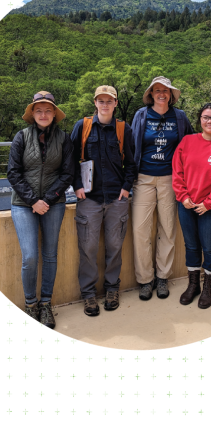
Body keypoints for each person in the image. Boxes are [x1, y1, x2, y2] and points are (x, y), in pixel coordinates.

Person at [7, 91, 74, 329]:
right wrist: (34, 200)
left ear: (54, 113)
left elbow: (68, 173)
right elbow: (13, 173)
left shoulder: (64, 139)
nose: (43, 114)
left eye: (48, 110)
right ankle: (30, 305)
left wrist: (46, 199)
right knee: (30, 256)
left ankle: (46, 304)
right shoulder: (21, 137)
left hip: (53, 203)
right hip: (23, 204)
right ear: (32, 114)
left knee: (49, 255)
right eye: (39, 110)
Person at [70, 85, 137, 317]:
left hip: (117, 198)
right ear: (95, 102)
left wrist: (127, 188)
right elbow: (70, 159)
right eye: (101, 100)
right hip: (89, 198)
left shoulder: (123, 129)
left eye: (110, 101)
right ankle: (88, 294)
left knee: (115, 246)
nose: (105, 104)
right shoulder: (83, 126)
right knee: (87, 248)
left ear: (116, 103)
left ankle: (111, 289)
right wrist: (77, 185)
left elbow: (131, 161)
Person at [131, 76, 194, 300]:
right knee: (141, 230)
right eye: (157, 90)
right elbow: (131, 145)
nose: (161, 94)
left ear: (170, 95)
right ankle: (145, 279)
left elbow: (190, 144)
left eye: (165, 91)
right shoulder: (141, 115)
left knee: (167, 229)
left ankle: (162, 277)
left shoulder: (179, 117)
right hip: (143, 178)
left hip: (170, 179)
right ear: (151, 94)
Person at [172, 103, 211, 309]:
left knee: (209, 248)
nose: (210, 121)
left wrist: (208, 204)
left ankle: (209, 286)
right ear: (200, 119)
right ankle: (193, 285)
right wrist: (183, 196)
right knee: (191, 246)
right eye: (206, 117)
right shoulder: (188, 141)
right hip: (187, 204)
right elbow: (177, 170)